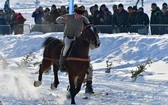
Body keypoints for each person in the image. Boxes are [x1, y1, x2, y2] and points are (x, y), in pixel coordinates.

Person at [56, 6, 94, 93]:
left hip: (78, 37)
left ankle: (86, 62)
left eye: (81, 15)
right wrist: (62, 18)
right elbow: (57, 20)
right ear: (75, 13)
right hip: (68, 37)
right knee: (66, 47)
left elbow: (88, 25)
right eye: (78, 15)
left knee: (84, 48)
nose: (79, 17)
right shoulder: (69, 16)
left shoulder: (83, 18)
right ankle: (62, 63)